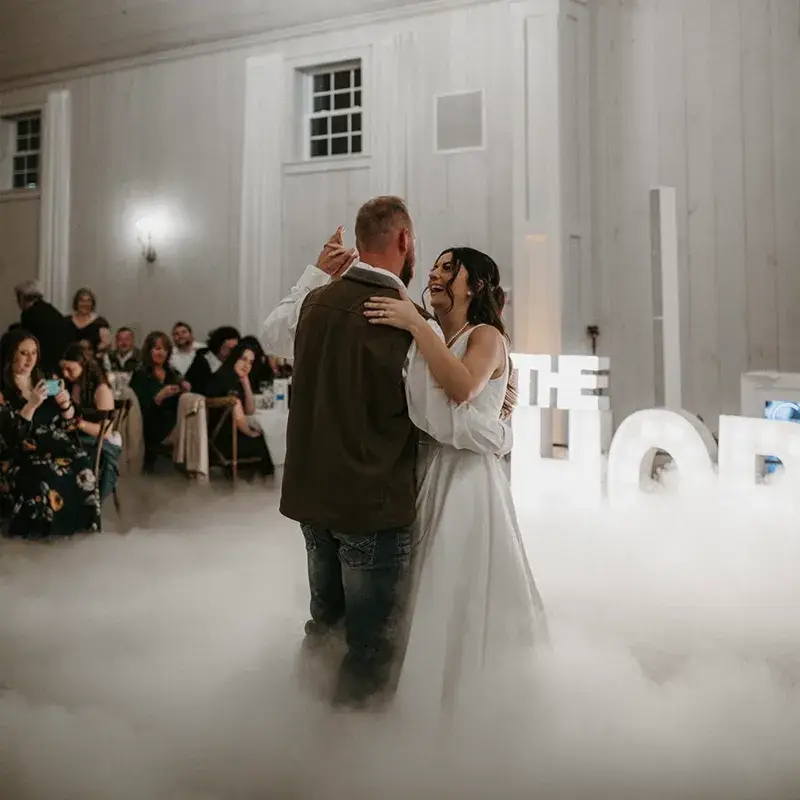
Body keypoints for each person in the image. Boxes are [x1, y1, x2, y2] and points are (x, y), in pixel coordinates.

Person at [262, 197, 513, 709]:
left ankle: (300, 726)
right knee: (370, 644)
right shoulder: (407, 322)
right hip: (372, 504)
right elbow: (434, 417)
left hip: (313, 498)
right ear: (404, 241)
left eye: (450, 268)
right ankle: (353, 757)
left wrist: (313, 274)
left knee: (323, 626)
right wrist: (500, 431)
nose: (436, 271)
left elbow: (273, 336)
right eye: (430, 257)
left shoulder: (317, 302)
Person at [363, 246, 546, 725]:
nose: (435, 273)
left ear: (477, 284)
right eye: (435, 266)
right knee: (425, 585)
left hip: (469, 481)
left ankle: (463, 712)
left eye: (449, 268)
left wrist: (416, 325)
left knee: (455, 583)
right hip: (432, 468)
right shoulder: (441, 334)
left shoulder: (485, 335)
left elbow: (464, 388)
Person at [0, 329, 101, 539]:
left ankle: (81, 531)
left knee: (83, 463)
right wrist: (32, 405)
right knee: (47, 473)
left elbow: (70, 420)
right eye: (23, 353)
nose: (30, 359)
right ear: (11, 354)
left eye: (34, 353)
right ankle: (46, 534)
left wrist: (65, 406)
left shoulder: (43, 380)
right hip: (20, 452)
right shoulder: (3, 390)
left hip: (55, 445)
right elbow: (11, 433)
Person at [60, 343, 122, 502]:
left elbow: (106, 431)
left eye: (70, 370)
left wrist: (80, 424)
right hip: (78, 435)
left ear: (84, 366)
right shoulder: (73, 385)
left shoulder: (101, 389)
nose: (65, 374)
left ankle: (85, 501)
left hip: (101, 439)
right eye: (63, 369)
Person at [204, 342, 274, 477]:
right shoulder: (222, 376)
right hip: (221, 435)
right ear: (235, 357)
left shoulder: (238, 379)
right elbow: (233, 406)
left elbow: (249, 411)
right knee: (263, 443)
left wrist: (246, 384)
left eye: (251, 362)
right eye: (243, 359)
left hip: (234, 431)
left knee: (266, 440)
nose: (246, 365)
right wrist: (249, 432)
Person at [130, 331, 189, 471]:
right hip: (152, 424)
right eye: (157, 348)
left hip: (173, 419)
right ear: (149, 351)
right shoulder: (140, 375)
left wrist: (184, 390)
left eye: (164, 349)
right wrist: (159, 397)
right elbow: (140, 410)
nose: (161, 353)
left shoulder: (172, 373)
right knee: (186, 426)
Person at [15, 279, 73, 374]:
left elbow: (28, 340)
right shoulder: (50, 309)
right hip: (60, 357)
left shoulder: (28, 314)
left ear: (22, 298)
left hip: (44, 360)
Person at [66, 288, 111, 357]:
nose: (85, 304)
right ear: (76, 303)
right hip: (68, 362)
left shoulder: (100, 322)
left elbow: (106, 344)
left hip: (92, 362)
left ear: (92, 304)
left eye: (88, 301)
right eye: (82, 300)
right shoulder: (66, 321)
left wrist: (91, 348)